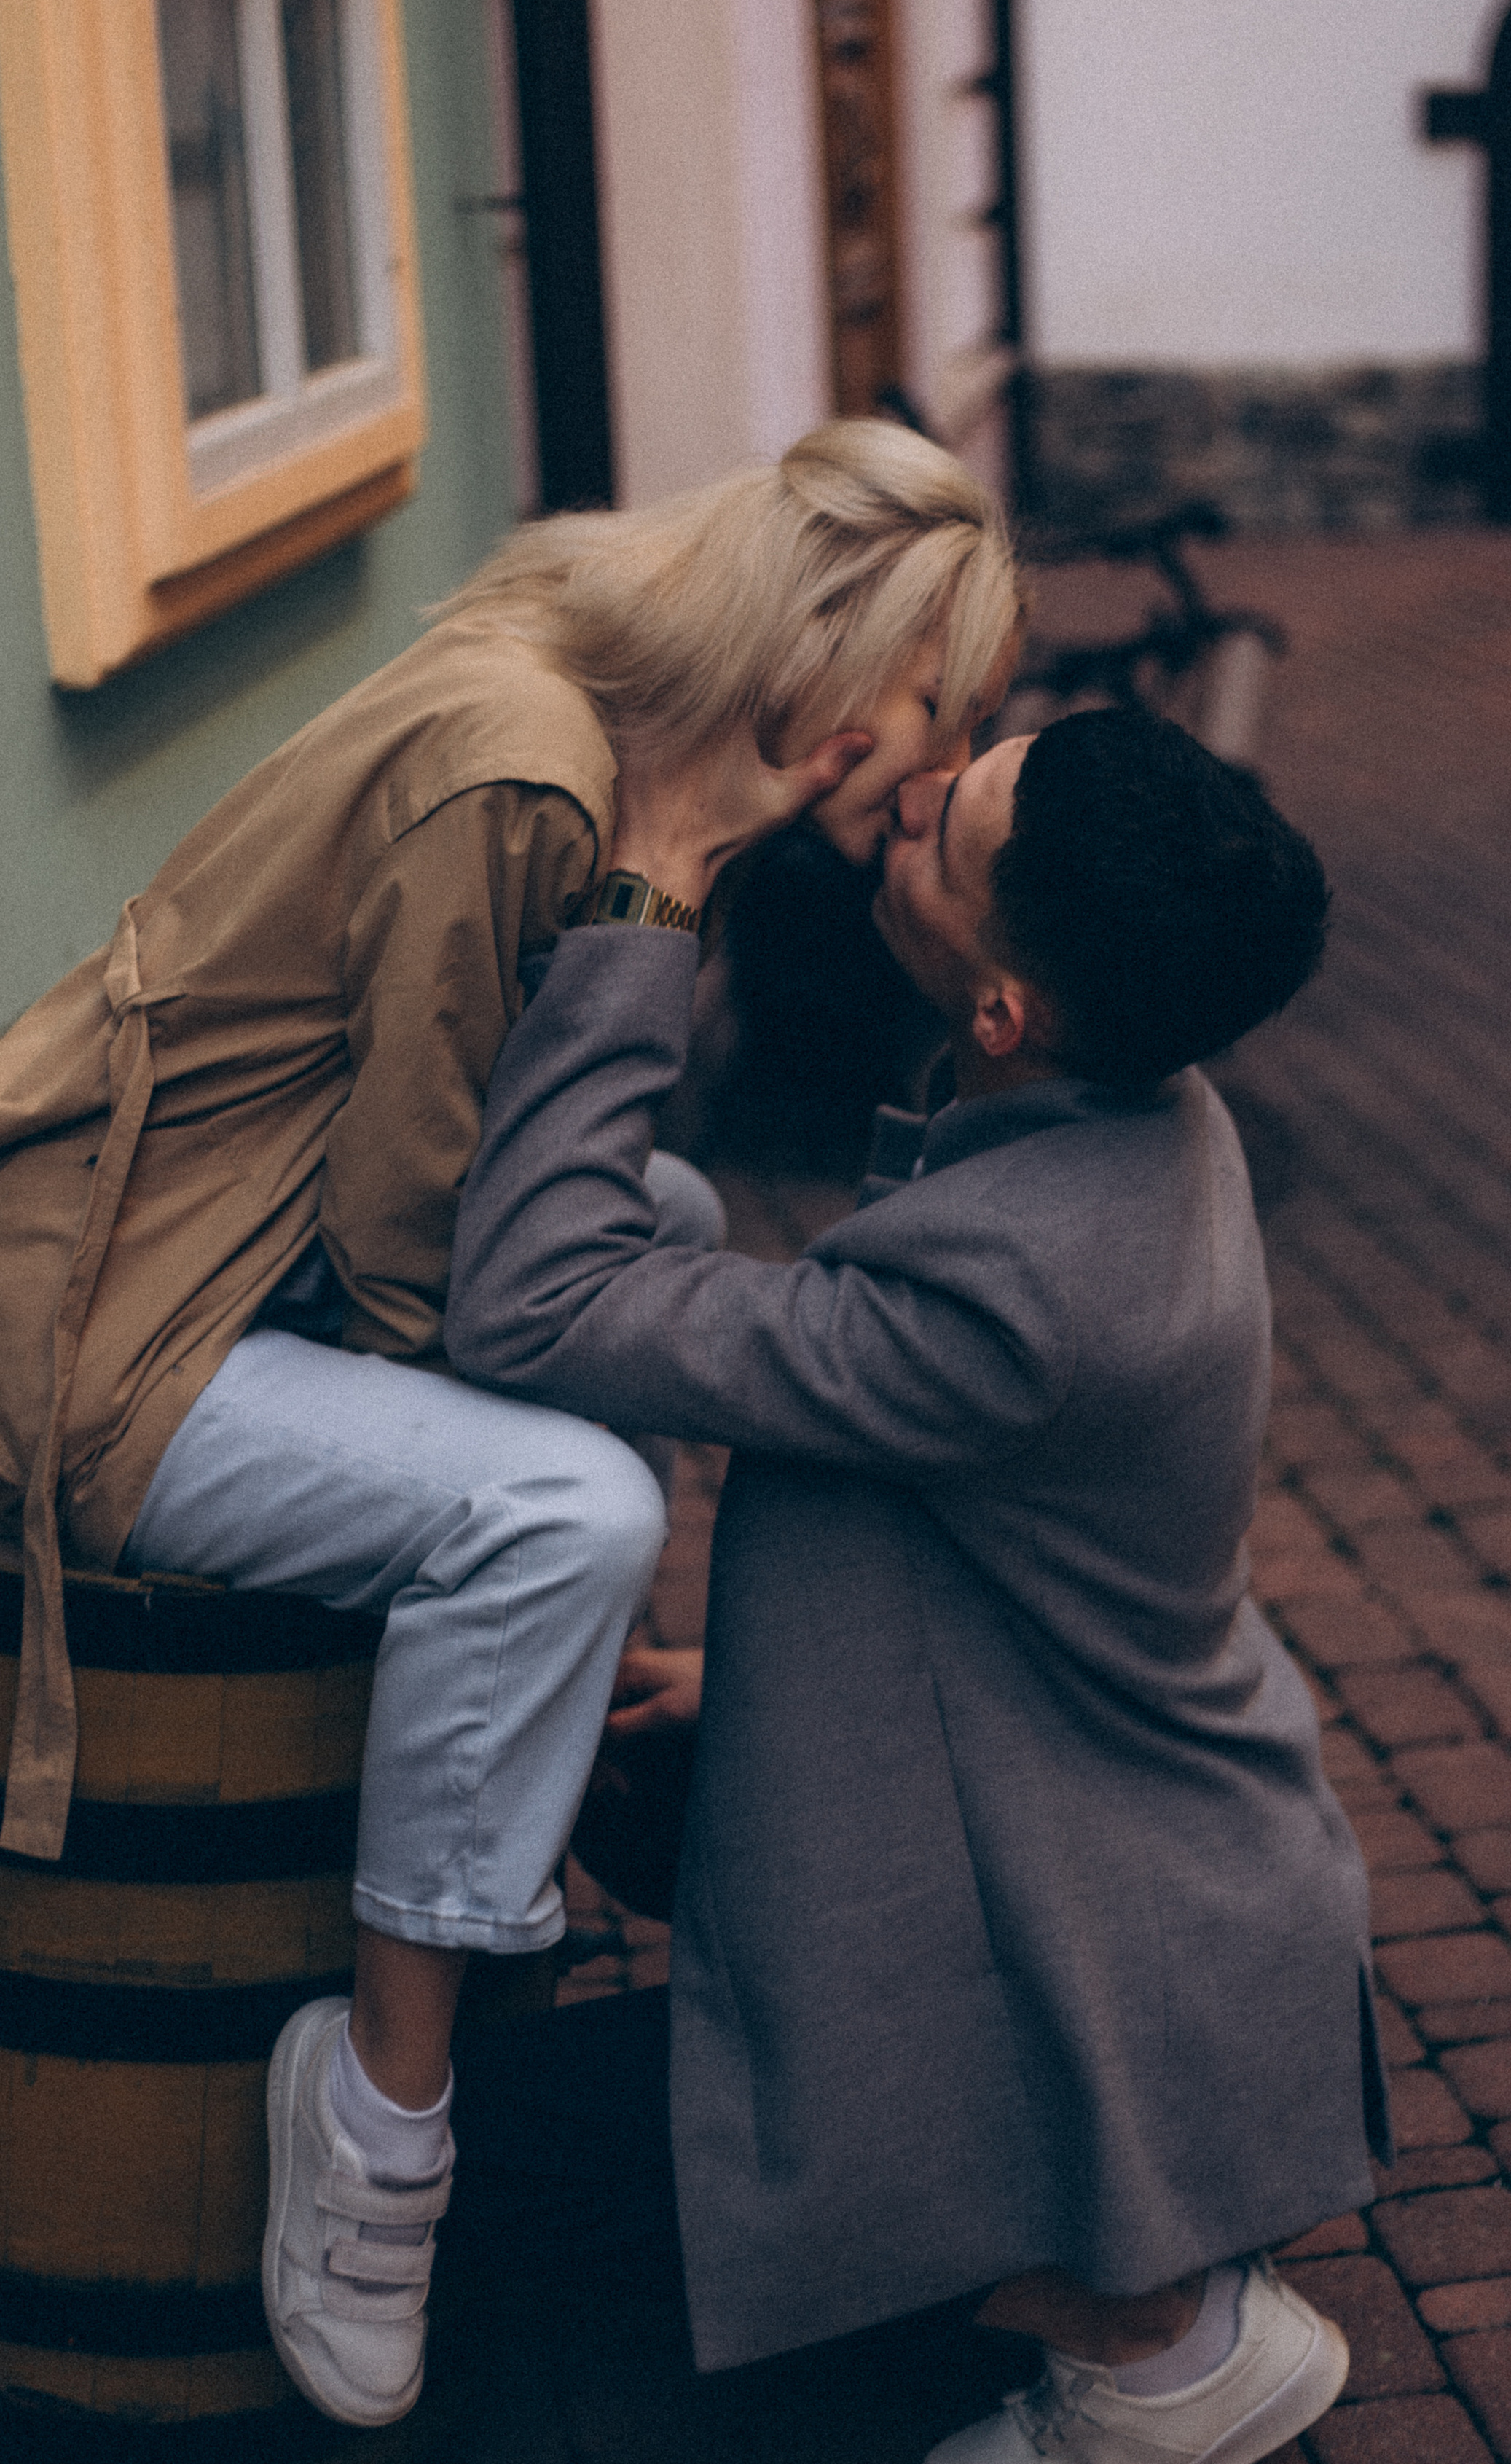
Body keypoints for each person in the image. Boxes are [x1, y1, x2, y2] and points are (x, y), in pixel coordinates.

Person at [0, 418, 1019, 2432]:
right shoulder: (534, 769)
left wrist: (673, 869)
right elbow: (415, 1260)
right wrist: (670, 880)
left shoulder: (588, 710)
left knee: (668, 1224)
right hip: (119, 1311)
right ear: (831, 646)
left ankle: (529, 1752)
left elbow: (521, 1180)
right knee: (560, 1508)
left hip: (243, 1230)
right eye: (934, 700)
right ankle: (377, 2115)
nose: (930, 759)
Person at [446, 705, 1389, 2464]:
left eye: (950, 826)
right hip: (1164, 1880)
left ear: (1003, 1015)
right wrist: (763, 1690)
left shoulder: (1016, 1289)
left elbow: (535, 1298)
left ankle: (1145, 2343)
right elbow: (1003, 1556)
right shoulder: (1144, 1115)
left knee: (474, 2169)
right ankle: (1126, 2266)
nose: (925, 787)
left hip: (1082, 1975)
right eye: (987, 754)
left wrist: (648, 897)